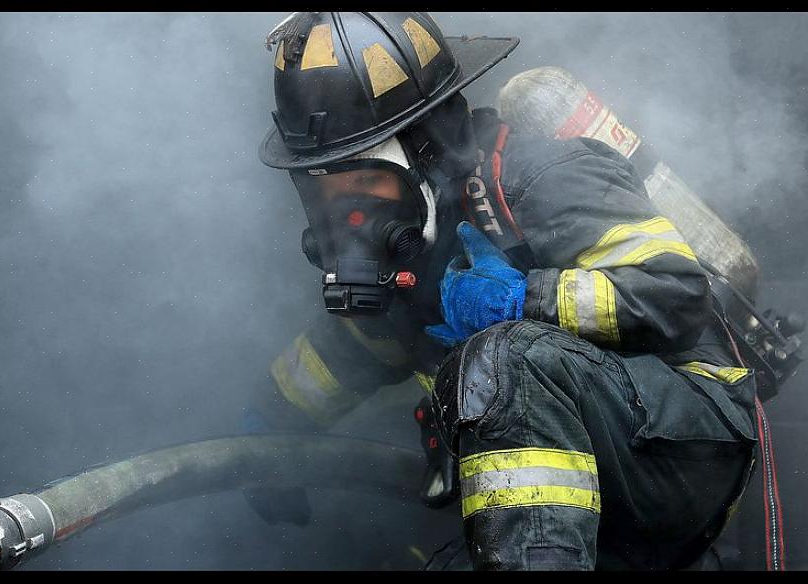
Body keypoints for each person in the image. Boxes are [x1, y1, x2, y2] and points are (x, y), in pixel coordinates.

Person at [249, 11, 758, 570]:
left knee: (501, 359)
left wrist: (525, 300)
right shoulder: (403, 271)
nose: (348, 213)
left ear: (428, 148)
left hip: (689, 451)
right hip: (587, 508)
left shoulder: (542, 177)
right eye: (326, 191)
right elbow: (338, 358)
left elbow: (678, 293)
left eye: (365, 179)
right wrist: (265, 440)